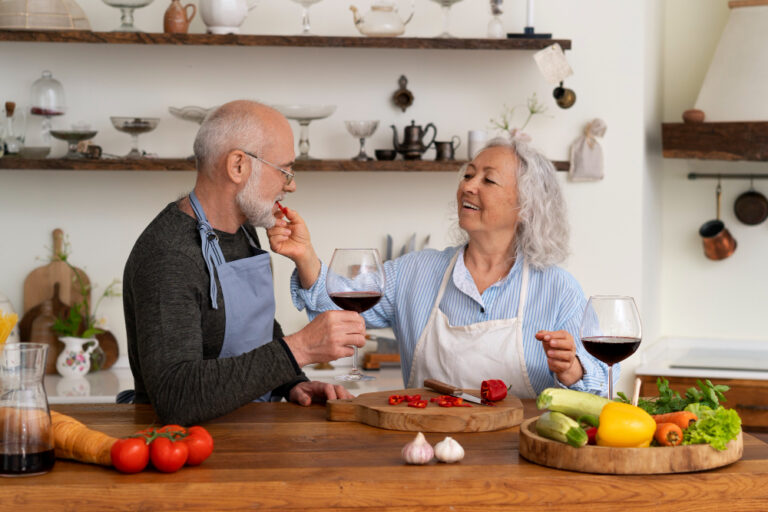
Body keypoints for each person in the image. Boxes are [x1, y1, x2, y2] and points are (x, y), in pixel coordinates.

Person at [269, 138, 611, 398]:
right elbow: (334, 308)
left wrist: (572, 370)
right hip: (427, 451)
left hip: (519, 460)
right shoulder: (416, 272)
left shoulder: (557, 289)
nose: (468, 185)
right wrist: (305, 256)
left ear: (525, 207)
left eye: (488, 181)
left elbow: (598, 388)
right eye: (468, 175)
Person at [123, 100, 365, 425]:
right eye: (284, 170)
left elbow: (255, 328)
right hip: (186, 450)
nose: (291, 184)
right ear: (238, 166)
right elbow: (175, 397)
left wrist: (292, 382)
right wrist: (300, 349)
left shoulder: (244, 231)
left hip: (249, 433)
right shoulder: (169, 254)